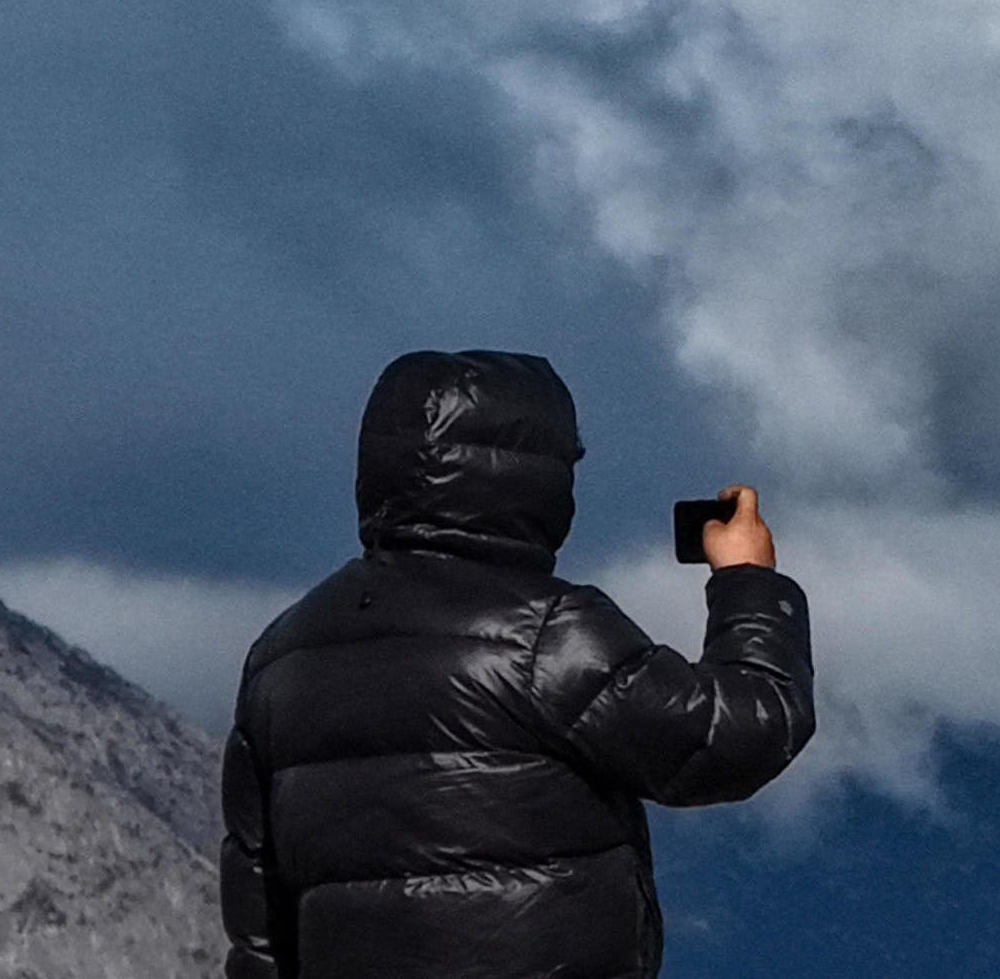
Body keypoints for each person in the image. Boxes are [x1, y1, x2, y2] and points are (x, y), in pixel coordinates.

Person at [223, 351, 816, 979]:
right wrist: (748, 581)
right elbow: (737, 736)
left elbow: (258, 922)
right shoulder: (547, 634)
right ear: (534, 479)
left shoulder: (280, 656)